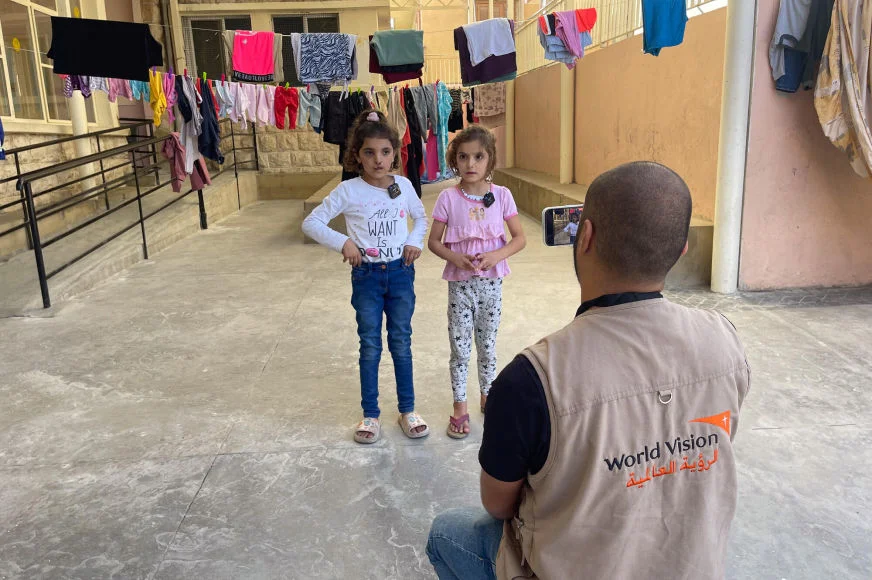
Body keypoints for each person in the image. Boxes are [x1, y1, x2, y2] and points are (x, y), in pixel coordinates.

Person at [426, 162, 751, 579]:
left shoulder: (531, 379)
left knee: (447, 533)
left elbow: (498, 504)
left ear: (586, 236)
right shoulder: (726, 340)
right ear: (681, 248)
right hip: (690, 567)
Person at [302, 110, 430, 444]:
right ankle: (370, 414)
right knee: (370, 344)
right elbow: (311, 222)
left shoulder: (402, 186)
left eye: (385, 152)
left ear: (395, 153)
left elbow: (420, 217)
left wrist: (414, 242)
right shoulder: (349, 190)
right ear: (356, 155)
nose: (378, 160)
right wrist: (343, 242)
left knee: (401, 341)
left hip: (401, 275)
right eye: (369, 152)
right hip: (367, 278)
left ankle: (407, 409)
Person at [427, 125, 527, 439]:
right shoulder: (447, 198)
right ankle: (460, 407)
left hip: (491, 286)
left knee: (487, 346)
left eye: (478, 157)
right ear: (454, 161)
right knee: (459, 348)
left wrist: (497, 255)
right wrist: (454, 258)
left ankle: (488, 396)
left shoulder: (502, 196)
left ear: (490, 160)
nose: (471, 164)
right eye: (463, 157)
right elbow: (434, 241)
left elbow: (519, 238)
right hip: (460, 286)